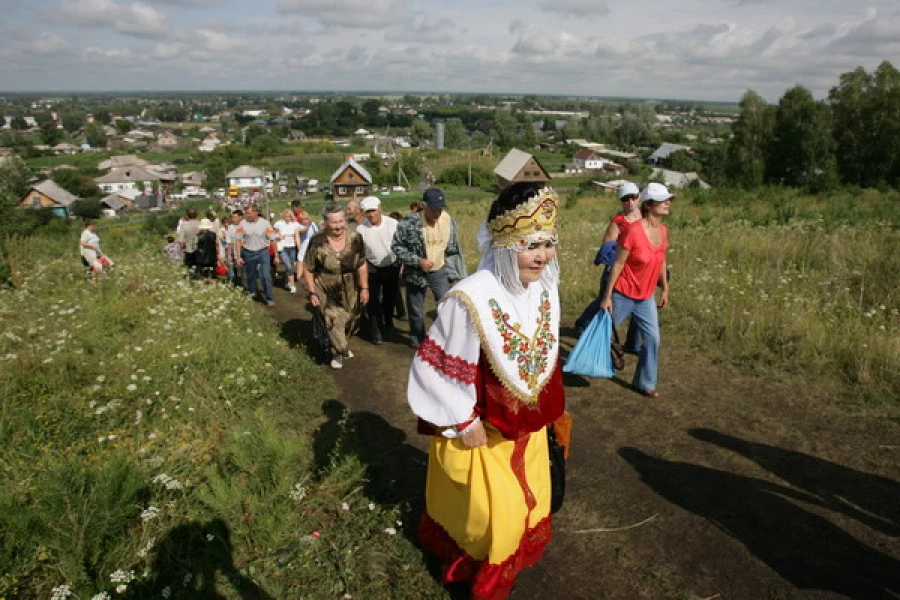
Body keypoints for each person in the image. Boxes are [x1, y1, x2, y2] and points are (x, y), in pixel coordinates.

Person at [407, 182, 565, 600]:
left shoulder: (545, 285)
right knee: (494, 520)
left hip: (526, 430)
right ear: (505, 243)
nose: (542, 255)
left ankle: (501, 565)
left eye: (548, 243)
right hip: (485, 432)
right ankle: (482, 578)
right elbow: (434, 366)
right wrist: (462, 420)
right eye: (531, 244)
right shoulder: (470, 298)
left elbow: (542, 351)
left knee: (528, 507)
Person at [599, 182, 673, 398]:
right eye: (663, 200)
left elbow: (661, 260)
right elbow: (618, 264)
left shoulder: (663, 230)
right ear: (649, 205)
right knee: (602, 332)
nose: (668, 203)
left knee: (653, 339)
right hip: (623, 293)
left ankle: (646, 383)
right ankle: (583, 362)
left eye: (669, 200)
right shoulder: (633, 230)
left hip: (646, 296)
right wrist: (607, 296)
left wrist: (665, 289)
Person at [391, 188, 466, 348]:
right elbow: (396, 247)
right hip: (416, 273)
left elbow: (453, 248)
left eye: (440, 208)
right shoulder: (408, 223)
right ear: (424, 205)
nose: (438, 212)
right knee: (416, 310)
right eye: (433, 209)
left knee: (446, 306)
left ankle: (445, 339)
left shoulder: (447, 220)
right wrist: (417, 261)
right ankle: (418, 339)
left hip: (439, 271)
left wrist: (454, 274)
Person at [574, 181, 642, 351]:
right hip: (617, 268)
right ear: (621, 201)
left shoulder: (645, 218)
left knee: (639, 304)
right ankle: (583, 324)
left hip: (637, 270)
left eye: (633, 197)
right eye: (625, 199)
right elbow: (607, 247)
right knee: (604, 299)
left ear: (639, 197)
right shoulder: (618, 222)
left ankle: (633, 343)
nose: (630, 202)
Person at [303, 202, 369, 370]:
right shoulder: (317, 241)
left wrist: (364, 288)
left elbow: (361, 264)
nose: (338, 226)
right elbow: (308, 268)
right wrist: (312, 292)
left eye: (341, 221)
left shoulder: (355, 238)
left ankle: (341, 344)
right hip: (325, 286)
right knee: (333, 318)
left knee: (349, 318)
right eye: (334, 222)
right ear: (326, 222)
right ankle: (338, 352)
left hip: (349, 286)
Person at [357, 196, 400, 345]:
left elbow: (401, 243)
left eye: (373, 211)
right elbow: (359, 252)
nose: (371, 214)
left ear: (380, 209)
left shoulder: (393, 224)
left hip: (392, 265)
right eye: (367, 212)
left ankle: (388, 320)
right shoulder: (361, 229)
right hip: (372, 267)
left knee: (390, 298)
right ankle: (375, 330)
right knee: (373, 300)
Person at [234, 204, 279, 306]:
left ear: (256, 212)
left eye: (249, 213)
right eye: (246, 213)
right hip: (248, 252)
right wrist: (238, 256)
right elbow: (238, 240)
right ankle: (252, 292)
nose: (247, 215)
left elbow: (272, 239)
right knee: (250, 275)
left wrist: (276, 255)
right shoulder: (242, 224)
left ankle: (269, 298)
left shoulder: (265, 224)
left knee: (265, 276)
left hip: (263, 252)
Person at [274, 208, 302, 293]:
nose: (287, 218)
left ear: (291, 216)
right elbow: (272, 234)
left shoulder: (295, 224)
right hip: (283, 248)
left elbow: (297, 236)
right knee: (289, 267)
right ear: (283, 216)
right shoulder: (279, 224)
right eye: (286, 216)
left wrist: (299, 248)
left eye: (289, 216)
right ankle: (293, 285)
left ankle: (287, 282)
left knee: (290, 266)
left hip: (292, 247)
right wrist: (278, 236)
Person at [178, 208, 200, 273]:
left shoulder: (184, 225)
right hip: (199, 249)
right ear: (196, 215)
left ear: (187, 216)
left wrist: (182, 248)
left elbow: (181, 240)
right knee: (198, 267)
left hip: (189, 249)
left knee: (189, 268)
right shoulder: (200, 224)